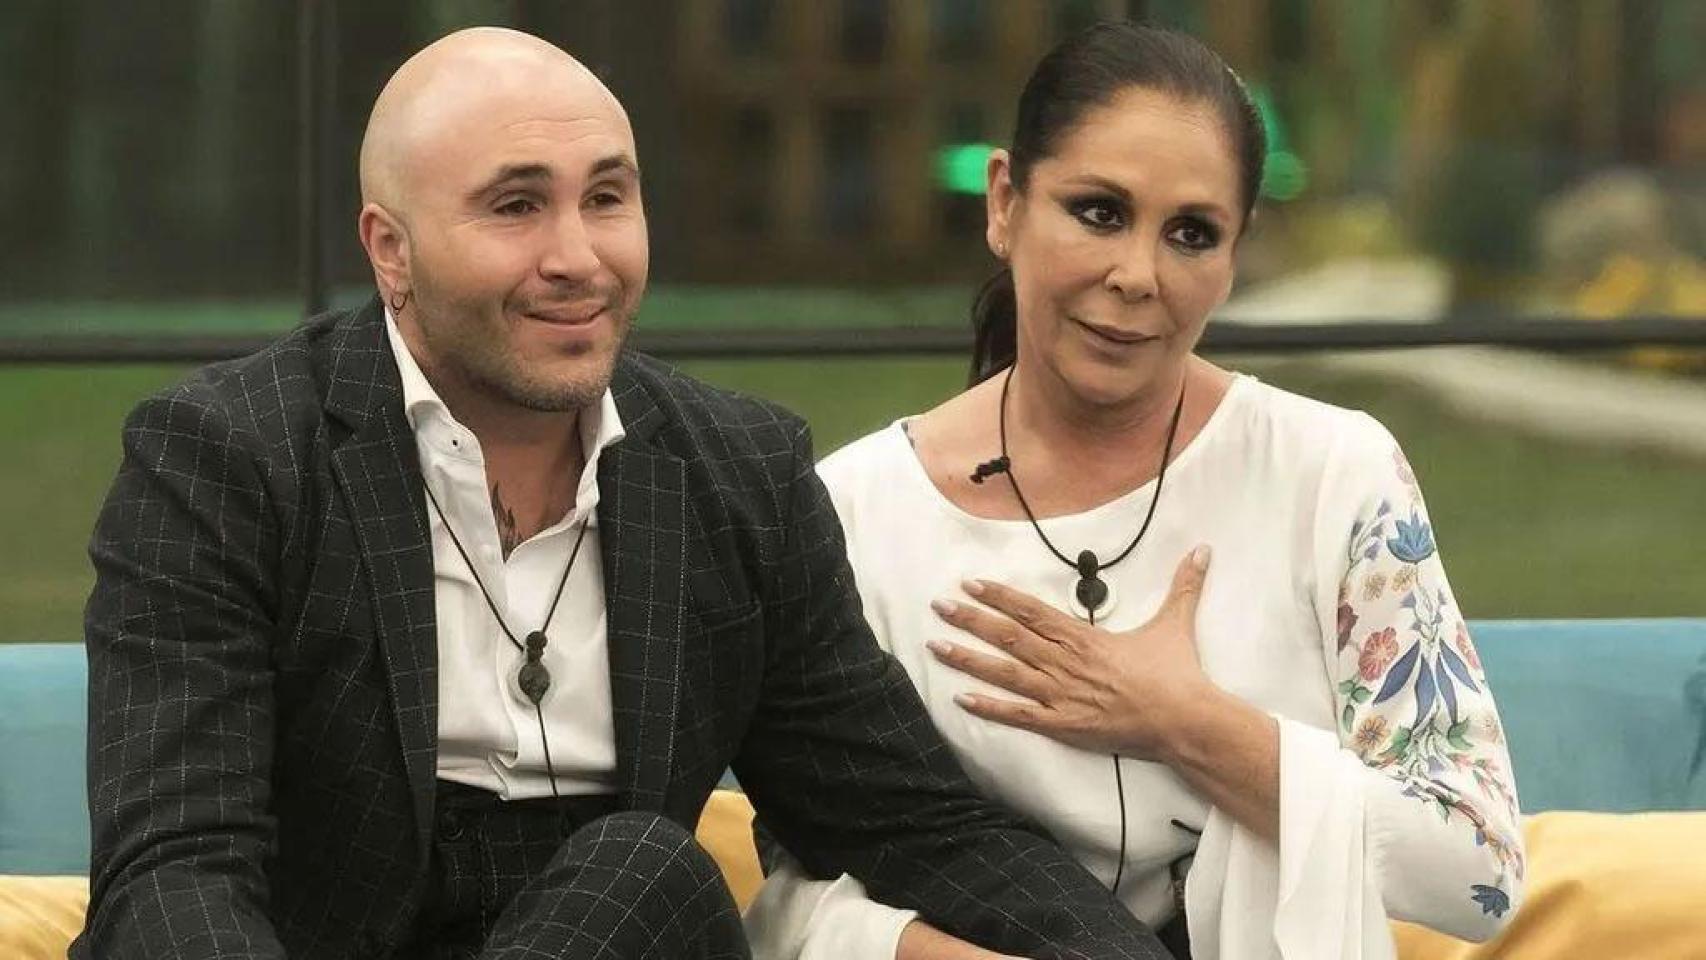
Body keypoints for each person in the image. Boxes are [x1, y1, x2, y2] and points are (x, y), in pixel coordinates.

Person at [72, 27, 1173, 960]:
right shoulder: (227, 459)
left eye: (606, 198)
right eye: (516, 207)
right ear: (390, 252)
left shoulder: (736, 474)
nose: (578, 257)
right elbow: (176, 871)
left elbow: (913, 825)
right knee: (644, 866)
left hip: (611, 932)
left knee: (641, 877)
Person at [745, 21, 1524, 960]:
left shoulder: (1333, 475)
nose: (1137, 276)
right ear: (1004, 203)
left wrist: (1185, 723)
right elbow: (791, 890)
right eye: (1099, 212)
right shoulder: (853, 512)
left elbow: (1478, 869)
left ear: (1235, 255)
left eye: (1191, 234)